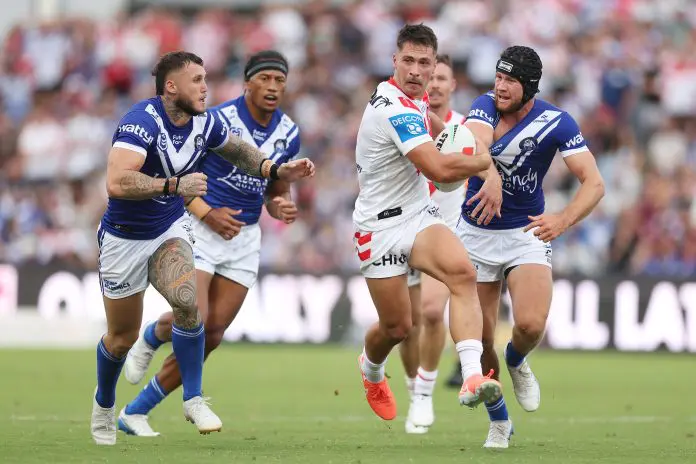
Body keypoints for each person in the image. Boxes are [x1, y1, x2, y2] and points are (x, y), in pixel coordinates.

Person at [92, 51, 314, 445]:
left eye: (205, 78)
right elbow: (116, 182)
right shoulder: (140, 123)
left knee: (191, 306)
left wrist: (275, 173)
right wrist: (176, 188)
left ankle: (192, 398)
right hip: (126, 236)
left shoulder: (206, 123)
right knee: (120, 338)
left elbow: (240, 152)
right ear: (171, 86)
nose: (205, 86)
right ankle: (105, 402)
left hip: (172, 228)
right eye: (196, 79)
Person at [353, 23, 500, 429]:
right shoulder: (392, 107)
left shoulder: (413, 100)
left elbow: (436, 126)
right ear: (394, 62)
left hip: (418, 215)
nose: (417, 71)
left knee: (463, 273)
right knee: (397, 326)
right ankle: (370, 369)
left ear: (433, 65)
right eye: (409, 62)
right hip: (378, 228)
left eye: (425, 63)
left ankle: (471, 376)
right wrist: (484, 162)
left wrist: (460, 139)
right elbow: (435, 167)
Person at [459, 45, 605, 448]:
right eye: (498, 77)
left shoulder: (557, 122)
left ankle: (518, 360)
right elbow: (475, 144)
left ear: (530, 86)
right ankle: (499, 422)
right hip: (476, 232)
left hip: (526, 232)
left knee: (530, 326)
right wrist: (489, 174)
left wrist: (562, 219)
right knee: (482, 338)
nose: (500, 87)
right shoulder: (484, 105)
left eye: (510, 81)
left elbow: (594, 183)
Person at [399, 54, 468, 434]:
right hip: (401, 230)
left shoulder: (463, 130)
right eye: (432, 77)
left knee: (429, 311)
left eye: (444, 77)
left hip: (443, 231)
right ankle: (414, 390)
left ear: (453, 84)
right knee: (404, 325)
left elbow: (476, 170)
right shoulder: (403, 122)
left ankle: (424, 391)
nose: (436, 84)